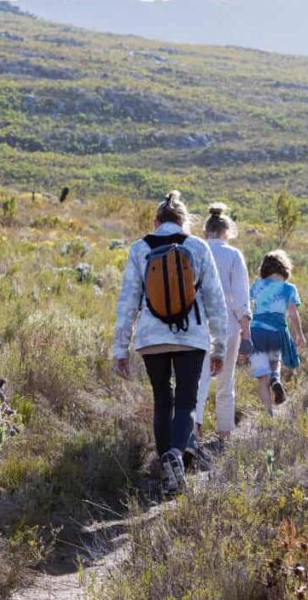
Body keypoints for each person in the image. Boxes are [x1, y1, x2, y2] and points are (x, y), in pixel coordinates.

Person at [112, 191, 228, 496]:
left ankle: (167, 472)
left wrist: (120, 348)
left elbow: (127, 303)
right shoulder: (198, 247)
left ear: (156, 220)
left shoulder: (139, 249)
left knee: (163, 400)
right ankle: (177, 454)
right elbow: (215, 301)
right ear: (185, 221)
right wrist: (220, 347)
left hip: (151, 337)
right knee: (187, 401)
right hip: (191, 337)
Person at [193, 204, 251, 451]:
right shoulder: (234, 255)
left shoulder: (196, 251)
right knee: (226, 383)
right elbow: (241, 299)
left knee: (198, 381)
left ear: (206, 230)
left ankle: (192, 433)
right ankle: (224, 435)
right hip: (227, 328)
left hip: (197, 326)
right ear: (226, 231)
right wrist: (246, 331)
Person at [249, 250, 306, 416]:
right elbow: (293, 314)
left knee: (262, 378)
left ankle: (269, 413)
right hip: (277, 333)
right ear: (284, 268)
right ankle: (276, 378)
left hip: (257, 333)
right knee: (275, 361)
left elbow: (244, 305)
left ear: (264, 268)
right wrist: (299, 335)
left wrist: (241, 331)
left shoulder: (258, 285)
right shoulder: (289, 288)